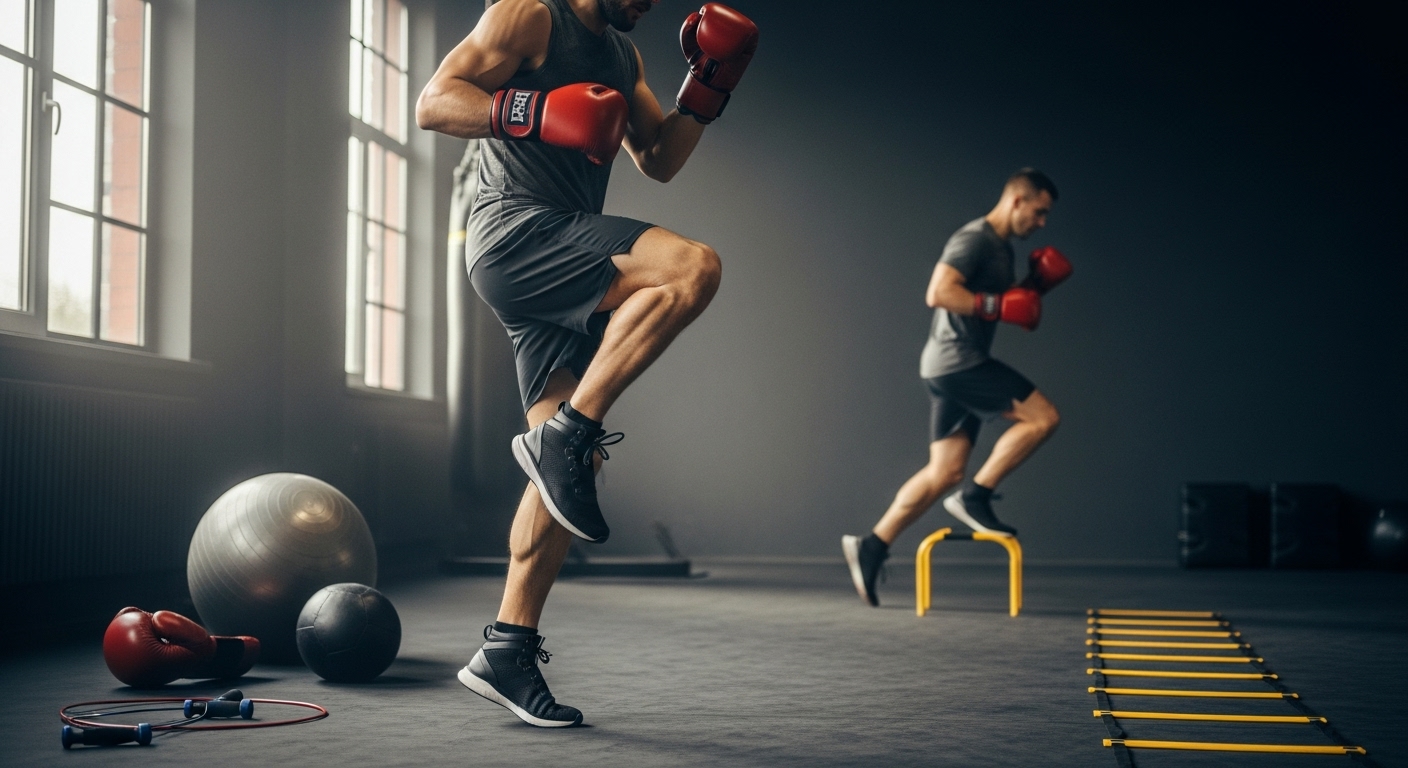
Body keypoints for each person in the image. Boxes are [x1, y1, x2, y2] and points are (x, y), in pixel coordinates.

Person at [416, 0, 758, 726]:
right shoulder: (529, 15)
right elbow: (434, 102)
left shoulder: (623, 57)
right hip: (514, 231)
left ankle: (507, 647)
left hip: (556, 247)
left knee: (573, 469)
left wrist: (709, 86)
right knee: (692, 267)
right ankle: (568, 432)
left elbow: (659, 158)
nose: (650, 3)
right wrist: (534, 113)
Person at [841, 169, 1072, 606]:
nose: (1042, 223)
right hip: (959, 362)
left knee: (943, 471)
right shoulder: (975, 240)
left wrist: (1034, 288)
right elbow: (939, 293)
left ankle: (872, 544)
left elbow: (1002, 305)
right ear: (1017, 201)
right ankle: (976, 496)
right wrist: (999, 304)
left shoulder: (1001, 247)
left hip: (949, 365)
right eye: (1039, 212)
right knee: (1044, 418)